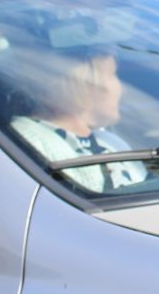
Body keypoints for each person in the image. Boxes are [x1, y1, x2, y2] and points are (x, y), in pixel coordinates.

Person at [11, 46, 149, 193]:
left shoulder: (113, 142)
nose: (123, 89)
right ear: (85, 83)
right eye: (113, 75)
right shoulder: (28, 140)